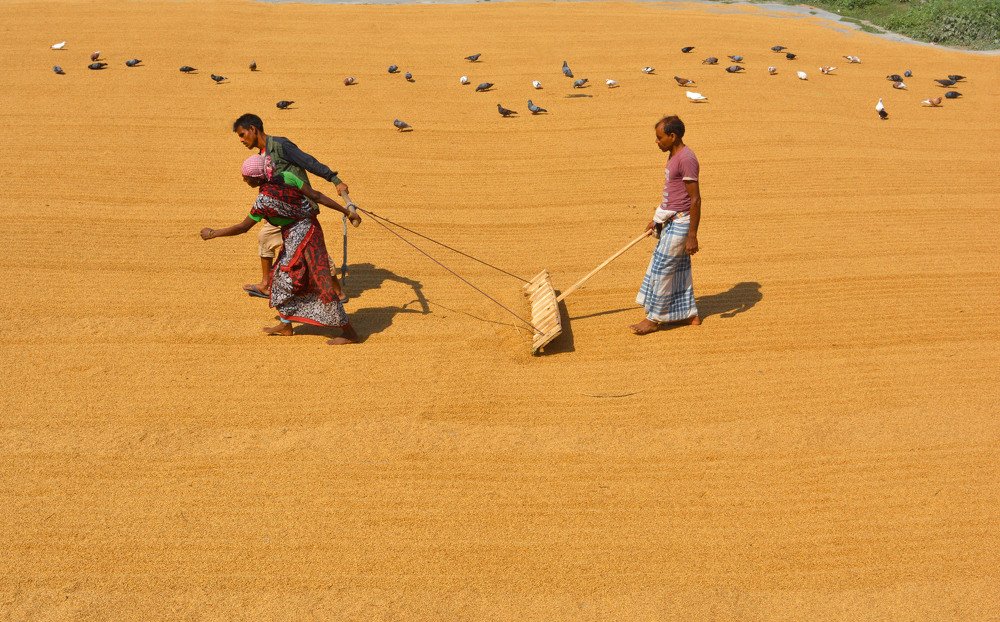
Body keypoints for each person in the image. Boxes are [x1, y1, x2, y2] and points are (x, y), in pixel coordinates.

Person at [200, 154, 360, 345]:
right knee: (279, 277)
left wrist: (213, 233)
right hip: (303, 233)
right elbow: (316, 196)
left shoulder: (264, 201)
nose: (244, 180)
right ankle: (286, 324)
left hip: (306, 237)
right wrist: (346, 212)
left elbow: (243, 227)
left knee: (321, 280)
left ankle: (349, 332)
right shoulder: (286, 177)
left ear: (257, 178)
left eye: (246, 177)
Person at [232, 113, 350, 299]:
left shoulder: (280, 146)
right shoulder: (261, 157)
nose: (241, 140)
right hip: (281, 212)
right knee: (265, 237)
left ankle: (336, 290)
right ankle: (265, 285)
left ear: (253, 129)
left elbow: (308, 162)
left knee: (313, 250)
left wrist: (335, 180)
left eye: (242, 134)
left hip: (300, 209)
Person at [633, 115, 702, 335]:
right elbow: (672, 194)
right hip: (671, 219)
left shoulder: (686, 158)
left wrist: (692, 234)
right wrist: (657, 219)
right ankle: (690, 315)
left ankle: (654, 319)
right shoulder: (674, 155)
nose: (657, 142)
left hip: (682, 223)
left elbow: (695, 199)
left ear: (672, 137)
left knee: (662, 269)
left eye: (659, 137)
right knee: (679, 271)